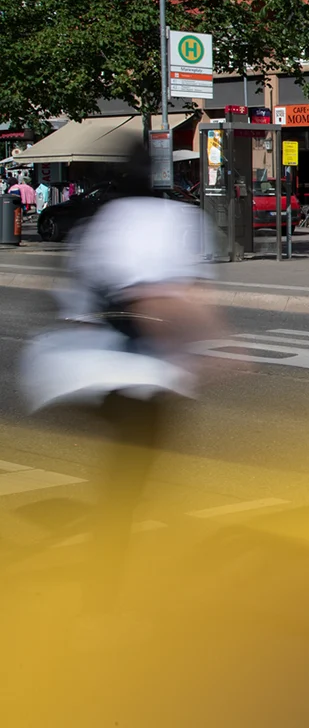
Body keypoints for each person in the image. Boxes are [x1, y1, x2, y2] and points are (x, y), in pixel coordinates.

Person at [19, 142, 219, 608]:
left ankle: (113, 573)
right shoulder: (173, 221)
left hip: (70, 368)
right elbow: (157, 295)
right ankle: (109, 587)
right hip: (133, 369)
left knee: (127, 475)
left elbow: (72, 296)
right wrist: (221, 344)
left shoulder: (103, 220)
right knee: (130, 478)